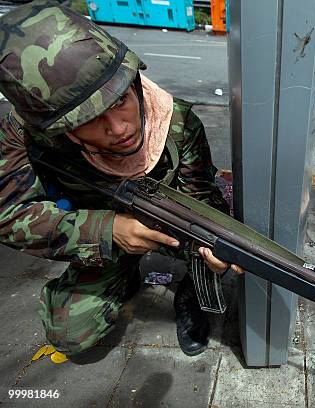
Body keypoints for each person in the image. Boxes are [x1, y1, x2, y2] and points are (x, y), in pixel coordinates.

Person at [0, 1, 242, 358]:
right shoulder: (25, 134)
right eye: (87, 120)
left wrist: (210, 254)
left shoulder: (178, 123)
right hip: (98, 229)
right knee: (69, 331)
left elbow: (201, 200)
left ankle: (190, 290)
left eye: (120, 100)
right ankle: (122, 272)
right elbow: (9, 214)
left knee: (214, 242)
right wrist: (107, 231)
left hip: (172, 226)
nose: (119, 129)